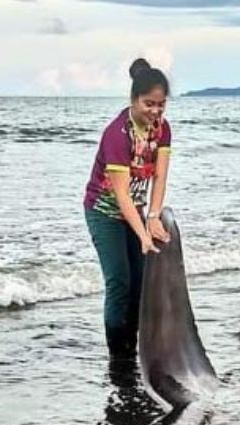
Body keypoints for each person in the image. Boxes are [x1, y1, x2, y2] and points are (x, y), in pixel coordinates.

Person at [83, 58, 173, 361]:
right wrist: (143, 235)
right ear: (133, 99)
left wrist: (153, 216)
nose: (155, 111)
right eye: (149, 104)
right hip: (104, 212)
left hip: (135, 210)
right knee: (119, 282)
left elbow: (160, 176)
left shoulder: (162, 130)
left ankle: (132, 351)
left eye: (161, 104)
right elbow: (120, 194)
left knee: (140, 284)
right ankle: (117, 358)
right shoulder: (117, 134)